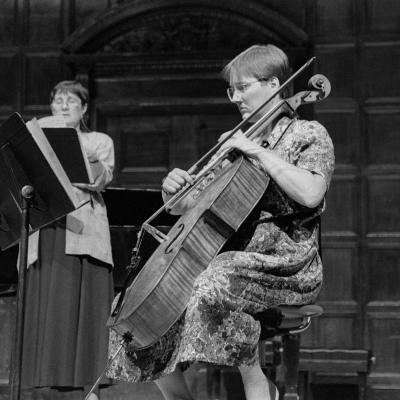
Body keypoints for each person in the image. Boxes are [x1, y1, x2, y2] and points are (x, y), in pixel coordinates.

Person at [107, 44, 335, 400]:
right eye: (232, 90)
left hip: (286, 262)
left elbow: (310, 194)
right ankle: (178, 397)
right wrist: (176, 194)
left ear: (274, 83)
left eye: (243, 87)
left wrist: (258, 151)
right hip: (226, 253)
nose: (235, 98)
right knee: (135, 306)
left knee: (213, 281)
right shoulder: (231, 144)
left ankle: (256, 383)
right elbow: (197, 207)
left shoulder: (308, 134)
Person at [21, 80, 115, 400]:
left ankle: (89, 388)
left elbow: (99, 179)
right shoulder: (38, 140)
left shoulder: (97, 140)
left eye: (71, 102)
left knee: (84, 306)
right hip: (46, 230)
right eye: (57, 101)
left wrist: (69, 141)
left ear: (84, 109)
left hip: (82, 231)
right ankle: (41, 386)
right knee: (46, 307)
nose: (63, 106)